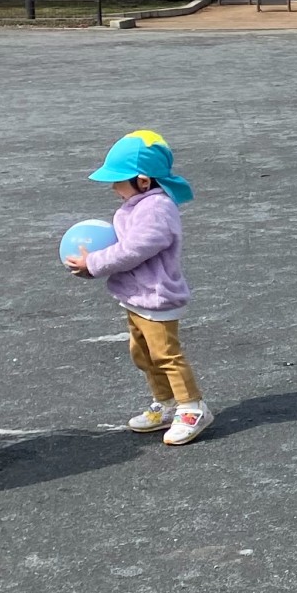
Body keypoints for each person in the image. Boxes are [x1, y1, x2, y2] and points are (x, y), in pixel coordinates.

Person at [66, 130, 214, 446]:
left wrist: (93, 262)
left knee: (165, 354)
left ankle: (192, 407)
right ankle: (166, 402)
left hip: (157, 297)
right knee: (143, 353)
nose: (112, 187)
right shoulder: (138, 204)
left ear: (143, 181)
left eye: (118, 180)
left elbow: (134, 248)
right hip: (136, 297)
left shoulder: (157, 209)